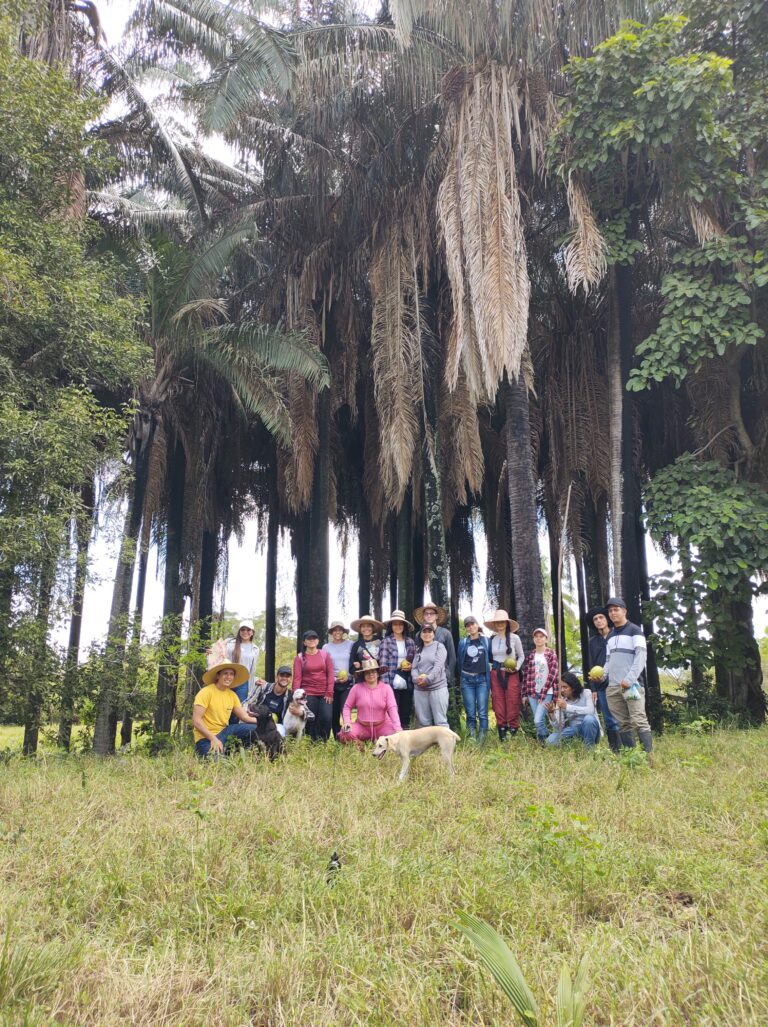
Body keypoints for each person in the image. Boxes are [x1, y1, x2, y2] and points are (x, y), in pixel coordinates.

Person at [603, 597, 653, 756]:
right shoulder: (610, 636)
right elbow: (608, 660)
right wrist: (603, 675)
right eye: (610, 611)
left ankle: (648, 757)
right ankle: (632, 758)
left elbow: (641, 657)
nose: (612, 613)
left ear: (624, 611)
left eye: (616, 609)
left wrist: (629, 680)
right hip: (613, 687)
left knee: (639, 720)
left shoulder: (635, 631)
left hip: (632, 686)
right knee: (623, 724)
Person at [192, 662, 260, 756]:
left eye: (231, 674)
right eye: (225, 673)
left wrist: (265, 721)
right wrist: (213, 739)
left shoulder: (232, 695)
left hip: (225, 732)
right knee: (218, 764)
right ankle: (205, 751)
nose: (228, 677)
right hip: (206, 737)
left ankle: (248, 752)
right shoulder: (206, 692)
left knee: (256, 728)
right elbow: (196, 721)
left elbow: (244, 717)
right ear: (218, 675)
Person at [484, 609, 525, 741]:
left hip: (511, 674)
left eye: (502, 621)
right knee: (498, 703)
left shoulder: (515, 638)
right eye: (497, 622)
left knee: (513, 702)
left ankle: (513, 735)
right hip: (496, 674)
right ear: (495, 624)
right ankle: (502, 734)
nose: (500, 624)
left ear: (507, 623)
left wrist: (517, 668)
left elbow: (522, 656)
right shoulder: (492, 640)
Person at [339, 659, 401, 746]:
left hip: (383, 726)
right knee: (345, 734)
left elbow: (392, 708)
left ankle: (381, 743)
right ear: (363, 674)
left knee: (397, 736)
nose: (371, 674)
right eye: (367, 672)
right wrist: (347, 722)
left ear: (378, 673)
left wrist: (397, 727)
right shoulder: (356, 688)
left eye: (373, 671)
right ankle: (360, 745)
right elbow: (347, 707)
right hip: (362, 726)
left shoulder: (386, 688)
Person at [587, 606, 621, 752]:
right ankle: (616, 751)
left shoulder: (617, 636)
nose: (599, 621)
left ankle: (628, 748)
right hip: (601, 685)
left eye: (601, 617)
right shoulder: (593, 641)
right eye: (595, 619)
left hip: (619, 682)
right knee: (609, 720)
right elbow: (590, 664)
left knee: (622, 718)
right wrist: (593, 688)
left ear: (607, 619)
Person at [378, 610, 417, 731]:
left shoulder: (410, 642)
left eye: (400, 624)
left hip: (407, 680)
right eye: (395, 624)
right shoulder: (386, 641)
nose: (398, 626)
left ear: (404, 626)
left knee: (406, 710)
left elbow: (415, 661)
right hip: (391, 681)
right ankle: (393, 735)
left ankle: (405, 736)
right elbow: (383, 665)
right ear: (391, 626)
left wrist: (411, 667)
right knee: (393, 710)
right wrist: (385, 686)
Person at [292, 630, 334, 742]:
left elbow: (330, 674)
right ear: (304, 642)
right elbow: (297, 679)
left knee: (326, 717)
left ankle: (323, 743)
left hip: (325, 693)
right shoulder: (300, 658)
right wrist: (296, 697)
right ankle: (311, 743)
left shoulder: (325, 655)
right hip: (308, 693)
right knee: (311, 719)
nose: (312, 641)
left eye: (314, 638)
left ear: (318, 641)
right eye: (309, 639)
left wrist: (330, 692)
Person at [521, 628, 559, 742]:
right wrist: (524, 694)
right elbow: (526, 676)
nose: (538, 639)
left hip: (547, 692)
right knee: (538, 720)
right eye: (536, 636)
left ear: (546, 639)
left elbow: (553, 675)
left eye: (541, 636)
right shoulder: (531, 655)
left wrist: (543, 694)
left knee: (538, 720)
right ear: (533, 639)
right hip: (532, 692)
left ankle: (546, 742)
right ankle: (544, 743)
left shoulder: (551, 654)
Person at [457, 615, 491, 742]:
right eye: (468, 625)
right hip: (467, 680)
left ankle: (482, 740)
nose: (471, 627)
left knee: (482, 712)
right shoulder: (463, 642)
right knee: (470, 712)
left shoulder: (486, 641)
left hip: (482, 680)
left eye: (473, 624)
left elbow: (491, 658)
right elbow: (459, 661)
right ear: (466, 628)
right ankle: (472, 738)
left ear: (477, 625)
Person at [546, 671, 601, 747]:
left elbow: (590, 711)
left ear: (573, 687)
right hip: (573, 730)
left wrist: (567, 707)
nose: (562, 690)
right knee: (550, 741)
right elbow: (559, 727)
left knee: (589, 719)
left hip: (590, 728)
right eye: (560, 687)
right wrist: (552, 714)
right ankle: (574, 745)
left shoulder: (586, 693)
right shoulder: (561, 700)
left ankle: (589, 749)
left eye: (565, 687)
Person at [410, 623, 449, 727]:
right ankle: (426, 743)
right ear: (420, 634)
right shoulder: (418, 649)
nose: (427, 634)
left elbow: (438, 666)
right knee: (423, 723)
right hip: (420, 689)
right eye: (424, 631)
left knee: (441, 721)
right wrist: (415, 679)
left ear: (433, 634)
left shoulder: (439, 647)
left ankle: (445, 743)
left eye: (429, 631)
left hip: (437, 688)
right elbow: (414, 668)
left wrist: (427, 679)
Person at [323, 620, 354, 738]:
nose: (337, 632)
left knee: (345, 710)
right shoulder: (326, 647)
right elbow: (325, 667)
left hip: (348, 683)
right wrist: (335, 679)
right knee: (333, 713)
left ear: (343, 631)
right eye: (335, 630)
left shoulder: (350, 644)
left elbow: (355, 661)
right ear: (331, 632)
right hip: (333, 684)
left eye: (340, 629)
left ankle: (348, 736)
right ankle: (337, 738)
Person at [414, 602, 456, 686]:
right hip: (424, 676)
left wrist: (449, 676)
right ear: (423, 616)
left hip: (441, 677)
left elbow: (452, 657)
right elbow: (417, 656)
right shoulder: (418, 635)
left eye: (432, 613)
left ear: (436, 616)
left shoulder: (445, 633)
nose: (429, 616)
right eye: (426, 614)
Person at [248, 665, 294, 737]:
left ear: (291, 679)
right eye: (282, 675)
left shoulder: (291, 696)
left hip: (276, 725)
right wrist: (249, 712)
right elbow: (249, 701)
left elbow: (302, 710)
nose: (284, 678)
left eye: (287, 676)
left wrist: (300, 712)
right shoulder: (263, 687)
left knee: (280, 733)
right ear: (277, 677)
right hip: (256, 720)